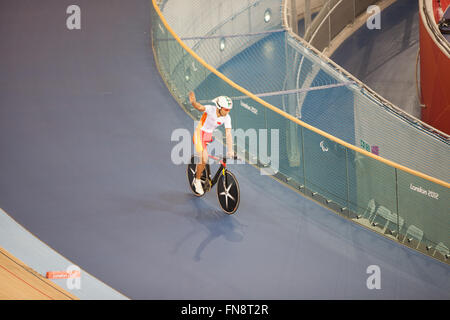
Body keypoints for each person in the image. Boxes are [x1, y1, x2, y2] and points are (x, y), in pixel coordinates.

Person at [189, 91, 234, 195]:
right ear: (219, 107)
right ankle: (197, 180)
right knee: (204, 158)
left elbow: (228, 134)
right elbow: (200, 107)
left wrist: (230, 150)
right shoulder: (210, 109)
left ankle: (205, 170)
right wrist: (193, 102)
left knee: (207, 157)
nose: (227, 112)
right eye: (226, 109)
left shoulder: (227, 117)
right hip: (199, 133)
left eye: (229, 110)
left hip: (208, 135)